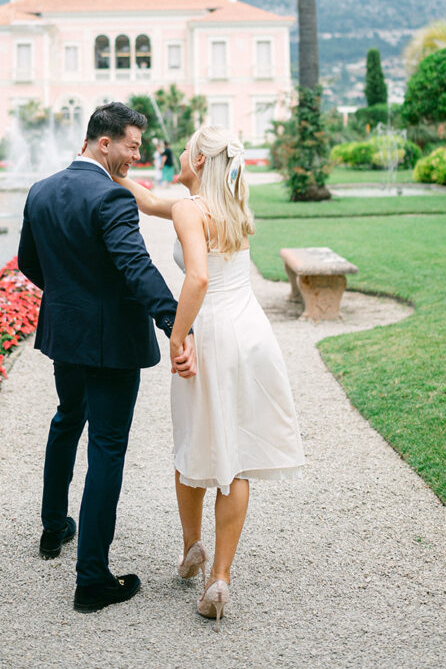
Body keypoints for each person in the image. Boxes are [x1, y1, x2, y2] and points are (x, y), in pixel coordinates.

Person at [115, 125, 304, 630]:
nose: (176, 151)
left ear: (196, 159)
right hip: (252, 333)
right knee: (235, 455)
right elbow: (153, 202)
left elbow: (196, 278)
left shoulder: (189, 210)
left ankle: (191, 545)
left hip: (213, 332)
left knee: (193, 441)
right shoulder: (234, 205)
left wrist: (178, 338)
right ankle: (218, 576)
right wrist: (116, 173)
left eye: (185, 146)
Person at [18, 102, 196, 615]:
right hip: (111, 346)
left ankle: (54, 530)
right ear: (103, 143)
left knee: (66, 419)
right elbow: (136, 266)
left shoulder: (41, 190)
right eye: (131, 146)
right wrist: (174, 324)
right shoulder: (113, 197)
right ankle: (93, 577)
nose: (136, 155)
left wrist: (71, 302)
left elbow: (30, 262)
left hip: (64, 336)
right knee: (108, 448)